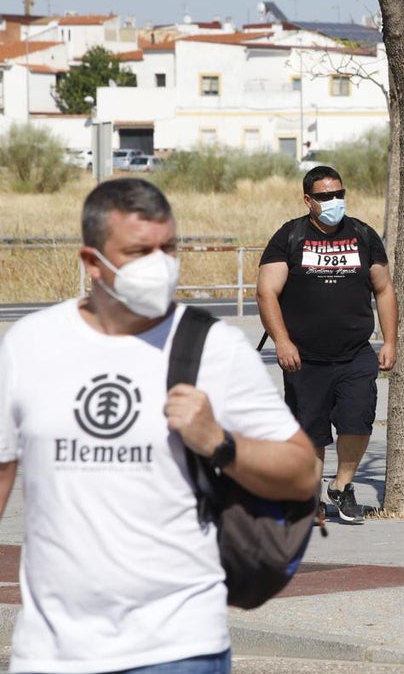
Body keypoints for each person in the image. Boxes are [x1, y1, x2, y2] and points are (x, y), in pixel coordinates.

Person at [0, 178, 319, 672]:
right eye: (138, 252)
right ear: (91, 262)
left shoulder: (212, 346)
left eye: (167, 248)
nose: (159, 264)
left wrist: (221, 443)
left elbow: (303, 473)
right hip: (50, 650)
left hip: (178, 644)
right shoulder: (30, 344)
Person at [257, 165, 398, 525]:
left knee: (358, 421)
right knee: (311, 431)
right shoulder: (290, 236)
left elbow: (384, 289)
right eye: (325, 196)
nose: (334, 201)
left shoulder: (362, 235)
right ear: (308, 200)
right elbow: (266, 292)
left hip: (355, 353)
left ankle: (342, 486)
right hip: (303, 357)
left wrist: (390, 341)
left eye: (339, 194)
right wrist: (282, 341)